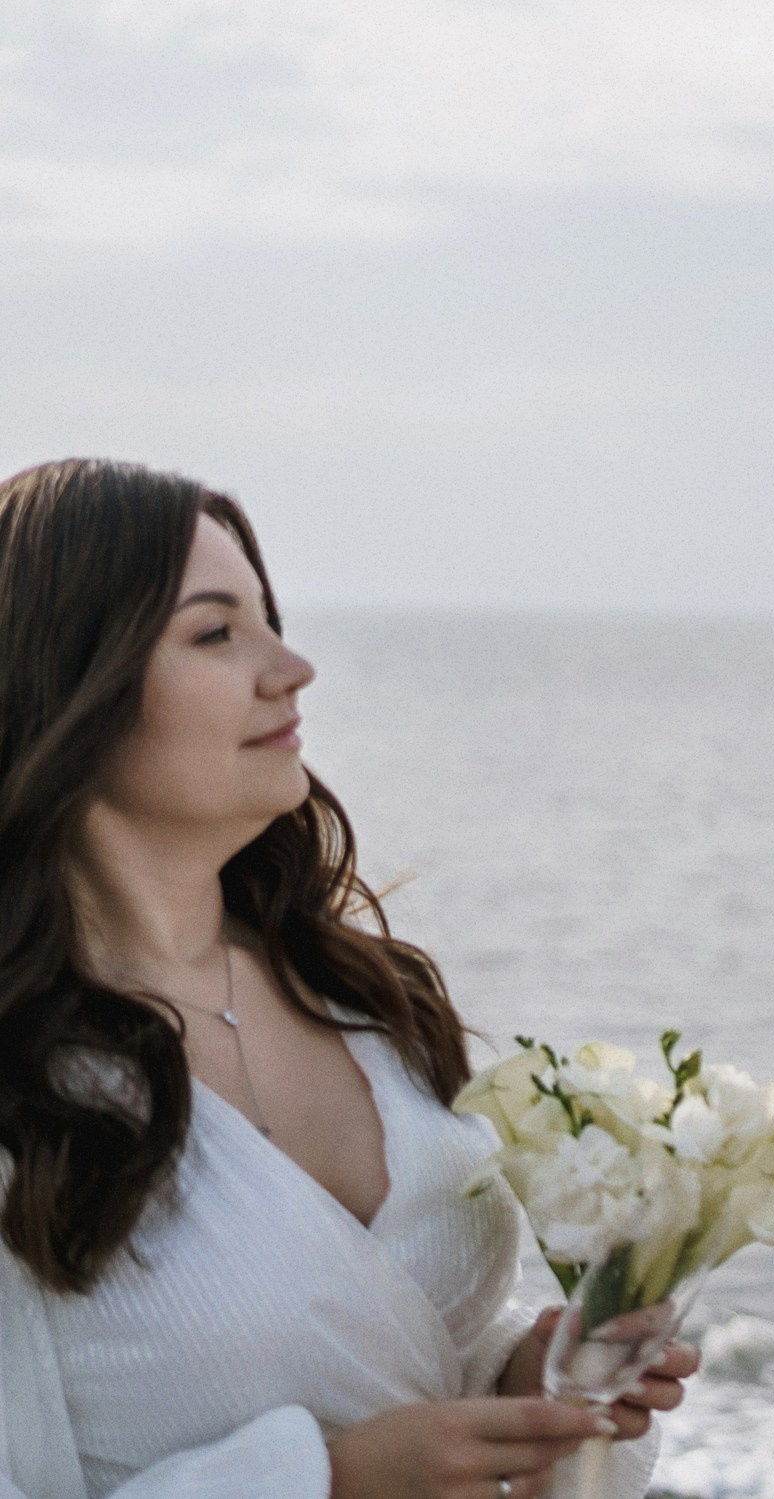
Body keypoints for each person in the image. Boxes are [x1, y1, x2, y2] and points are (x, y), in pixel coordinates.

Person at [0, 459, 699, 1499]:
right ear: (73, 686)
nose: (293, 667)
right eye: (215, 632)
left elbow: (410, 1335)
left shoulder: (368, 1000)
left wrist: (529, 1377)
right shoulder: (22, 1076)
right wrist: (321, 1481)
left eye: (268, 618)